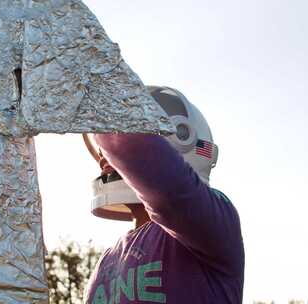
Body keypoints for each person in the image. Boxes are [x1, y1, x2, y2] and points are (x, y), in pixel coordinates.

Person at [82, 86, 245, 304]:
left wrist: (86, 91)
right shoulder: (106, 260)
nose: (103, 162)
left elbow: (131, 147)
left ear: (181, 136)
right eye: (102, 155)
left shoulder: (215, 224)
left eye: (106, 154)